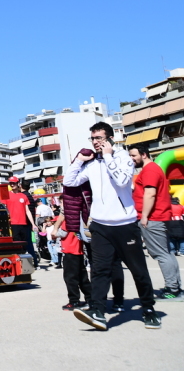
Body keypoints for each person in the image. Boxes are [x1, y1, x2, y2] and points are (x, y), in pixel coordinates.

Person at [63, 122, 159, 331]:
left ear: (110, 137)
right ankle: (97, 311)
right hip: (100, 226)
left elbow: (123, 181)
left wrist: (108, 156)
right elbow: (70, 182)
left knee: (138, 270)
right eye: (93, 138)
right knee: (99, 270)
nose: (96, 142)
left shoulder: (124, 157)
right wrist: (79, 160)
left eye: (99, 138)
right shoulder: (92, 163)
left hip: (125, 224)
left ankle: (149, 310)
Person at [129, 144, 183, 300]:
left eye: (134, 156)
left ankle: (173, 289)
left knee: (161, 254)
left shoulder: (150, 170)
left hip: (152, 218)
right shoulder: (152, 169)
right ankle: (175, 287)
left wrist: (144, 215)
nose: (132, 159)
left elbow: (150, 194)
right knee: (167, 253)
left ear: (144, 154)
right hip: (157, 217)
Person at [55, 214, 91, 310]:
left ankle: (74, 300)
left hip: (69, 250)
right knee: (82, 277)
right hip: (78, 250)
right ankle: (90, 298)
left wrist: (54, 230)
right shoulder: (77, 219)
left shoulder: (68, 219)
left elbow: (61, 233)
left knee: (70, 278)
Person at [4, 177, 39, 267]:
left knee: (24, 244)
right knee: (16, 244)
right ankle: (17, 263)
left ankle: (25, 264)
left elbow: (27, 211)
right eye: (10, 183)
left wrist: (33, 224)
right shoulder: (6, 195)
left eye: (14, 183)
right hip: (13, 223)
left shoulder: (23, 196)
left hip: (23, 223)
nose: (12, 185)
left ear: (18, 183)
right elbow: (3, 207)